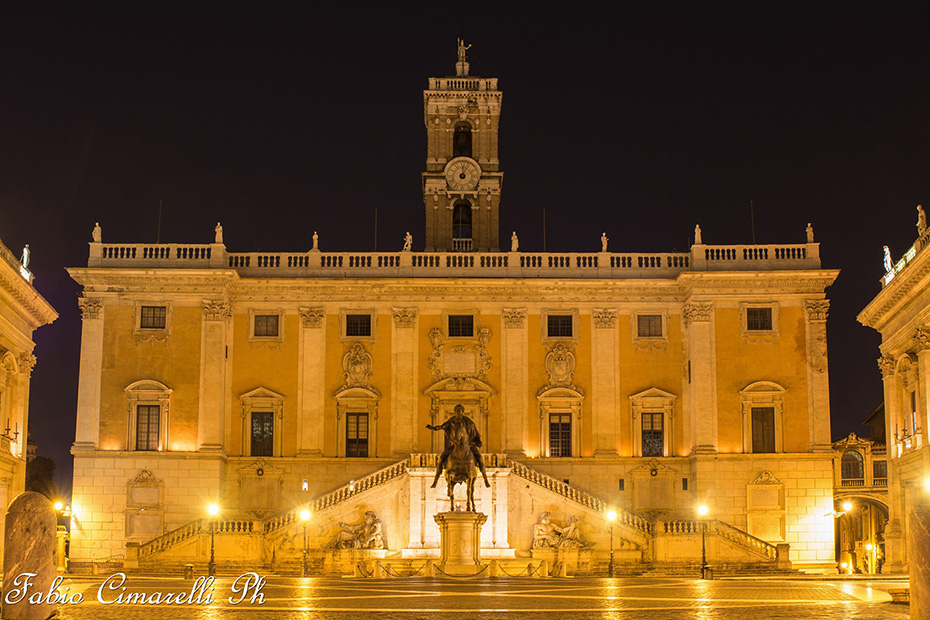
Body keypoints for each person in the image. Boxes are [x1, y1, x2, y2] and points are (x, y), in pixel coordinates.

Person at [426, 404, 490, 488]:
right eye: (457, 410)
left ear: (463, 412)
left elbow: (474, 432)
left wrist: (477, 442)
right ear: (455, 412)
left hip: (469, 445)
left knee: (479, 459)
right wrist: (434, 428)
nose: (459, 412)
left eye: (460, 411)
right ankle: (436, 480)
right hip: (454, 445)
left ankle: (485, 478)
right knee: (441, 458)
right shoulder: (451, 421)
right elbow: (442, 426)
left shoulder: (469, 422)